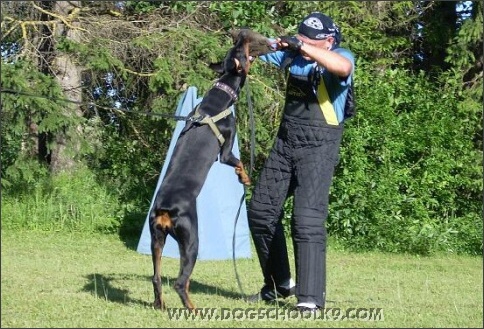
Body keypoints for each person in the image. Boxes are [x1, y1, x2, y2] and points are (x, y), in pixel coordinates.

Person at [246, 12, 355, 312]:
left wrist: (302, 47)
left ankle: (310, 300)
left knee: (306, 219)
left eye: (311, 40)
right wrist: (247, 46)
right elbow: (260, 48)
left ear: (328, 41)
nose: (303, 43)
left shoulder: (341, 56)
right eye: (301, 37)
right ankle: (279, 284)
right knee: (261, 212)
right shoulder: (290, 56)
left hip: (319, 147)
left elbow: (342, 68)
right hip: (285, 142)